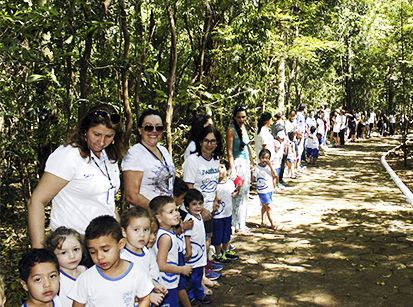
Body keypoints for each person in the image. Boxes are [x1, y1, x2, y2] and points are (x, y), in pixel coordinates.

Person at [28, 104, 126, 248]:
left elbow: (107, 202)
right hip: (72, 244)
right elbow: (36, 201)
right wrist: (39, 251)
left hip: (105, 241)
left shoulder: (108, 156)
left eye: (109, 136)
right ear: (85, 131)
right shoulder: (68, 155)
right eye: (97, 134)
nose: (101, 141)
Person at [69, 215, 153, 306]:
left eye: (105, 250)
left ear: (121, 244)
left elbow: (144, 298)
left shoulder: (136, 273)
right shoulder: (86, 279)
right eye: (93, 252)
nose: (99, 257)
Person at [122, 109, 176, 208]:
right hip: (146, 216)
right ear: (139, 130)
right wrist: (158, 211)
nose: (154, 131)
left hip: (167, 217)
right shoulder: (134, 154)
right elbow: (132, 196)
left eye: (158, 128)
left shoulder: (163, 150)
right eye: (148, 127)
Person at [150, 196, 193, 307]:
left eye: (176, 210)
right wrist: (182, 269)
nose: (176, 214)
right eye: (171, 212)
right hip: (166, 284)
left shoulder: (165, 232)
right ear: (159, 218)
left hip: (168, 281)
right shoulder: (165, 238)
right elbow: (161, 265)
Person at [120, 207, 167, 306]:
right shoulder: (123, 257)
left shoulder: (145, 251)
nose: (142, 234)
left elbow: (145, 276)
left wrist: (154, 285)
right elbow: (125, 287)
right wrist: (149, 296)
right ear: (124, 232)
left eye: (146, 230)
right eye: (136, 230)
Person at [226, 105, 253, 234]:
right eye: (239, 117)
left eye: (243, 117)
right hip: (237, 164)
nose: (241, 119)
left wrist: (252, 162)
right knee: (237, 194)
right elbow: (229, 151)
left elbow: (247, 147)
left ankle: (242, 223)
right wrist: (233, 169)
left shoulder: (244, 128)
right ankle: (235, 224)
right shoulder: (231, 130)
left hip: (246, 163)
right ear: (234, 117)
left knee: (245, 194)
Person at [183, 189, 212, 305]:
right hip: (193, 256)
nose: (198, 207)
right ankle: (191, 297)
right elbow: (187, 237)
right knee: (192, 278)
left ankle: (200, 294)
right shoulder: (189, 220)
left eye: (200, 203)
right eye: (194, 204)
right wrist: (189, 251)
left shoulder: (200, 216)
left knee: (199, 277)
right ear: (187, 206)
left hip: (200, 254)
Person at [45, 227, 86, 307]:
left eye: (76, 249)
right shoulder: (56, 279)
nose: (72, 256)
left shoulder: (87, 271)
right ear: (52, 255)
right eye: (63, 252)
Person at [213, 159, 240, 263]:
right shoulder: (213, 184)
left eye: (222, 167)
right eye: (217, 168)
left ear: (227, 169)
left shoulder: (229, 183)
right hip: (217, 216)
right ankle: (218, 254)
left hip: (227, 214)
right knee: (217, 236)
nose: (219, 170)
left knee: (226, 234)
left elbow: (233, 194)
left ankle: (225, 251)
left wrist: (238, 189)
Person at [254, 149, 277, 229]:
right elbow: (254, 177)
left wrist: (270, 166)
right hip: (262, 191)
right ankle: (272, 223)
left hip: (269, 190)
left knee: (264, 206)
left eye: (267, 158)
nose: (265, 160)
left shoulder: (269, 167)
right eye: (263, 157)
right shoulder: (257, 167)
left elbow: (275, 175)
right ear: (260, 157)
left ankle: (263, 222)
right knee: (269, 206)